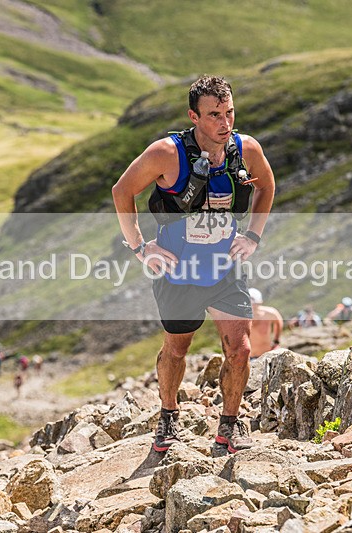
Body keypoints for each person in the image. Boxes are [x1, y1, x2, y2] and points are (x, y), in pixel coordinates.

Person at [112, 75, 275, 454]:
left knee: (241, 349)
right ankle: (168, 415)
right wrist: (139, 248)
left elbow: (266, 186)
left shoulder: (245, 149)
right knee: (177, 349)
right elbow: (122, 191)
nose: (225, 123)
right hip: (178, 270)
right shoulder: (166, 153)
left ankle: (230, 426)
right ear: (193, 116)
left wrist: (252, 235)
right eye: (215, 115)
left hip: (224, 266)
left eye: (230, 113)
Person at [247, 288, 283, 358]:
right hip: (248, 357)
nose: (251, 306)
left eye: (253, 303)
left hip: (267, 355)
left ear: (260, 303)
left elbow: (279, 322)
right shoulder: (241, 317)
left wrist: (276, 341)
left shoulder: (269, 313)